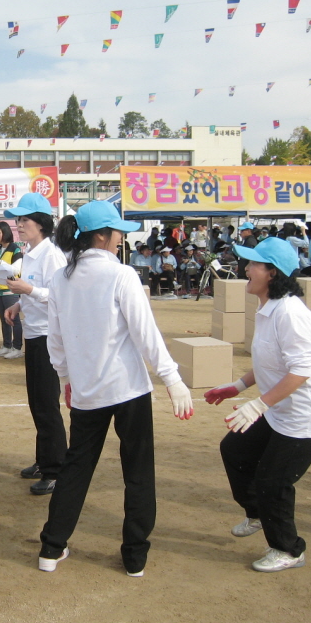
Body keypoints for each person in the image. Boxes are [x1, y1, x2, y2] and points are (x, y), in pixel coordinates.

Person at [38, 200, 193, 576]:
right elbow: (146, 334)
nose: (122, 238)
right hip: (127, 391)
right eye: (118, 232)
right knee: (138, 472)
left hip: (87, 392)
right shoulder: (121, 275)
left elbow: (54, 340)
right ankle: (134, 556)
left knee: (76, 469)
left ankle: (51, 547)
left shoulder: (62, 278)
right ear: (104, 236)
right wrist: (172, 379)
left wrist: (65, 379)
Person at [207, 237, 311, 572]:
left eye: (253, 265)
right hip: (279, 409)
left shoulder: (291, 313)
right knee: (235, 450)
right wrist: (237, 387)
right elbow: (269, 363)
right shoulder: (269, 308)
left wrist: (258, 405)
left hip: (304, 417)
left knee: (273, 481)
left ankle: (289, 549)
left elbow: (302, 370)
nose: (246, 269)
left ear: (273, 274)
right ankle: (256, 513)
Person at [1, 192, 69, 495]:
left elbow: (59, 296)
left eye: (24, 220)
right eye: (18, 220)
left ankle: (56, 469)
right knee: (36, 402)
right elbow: (35, 291)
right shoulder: (29, 253)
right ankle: (44, 461)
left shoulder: (52, 255)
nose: (19, 225)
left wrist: (28, 289)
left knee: (46, 405)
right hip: (33, 333)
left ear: (41, 223)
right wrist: (19, 302)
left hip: (48, 337)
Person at [0, 221, 24, 359]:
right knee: (4, 320)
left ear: (6, 233)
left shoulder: (15, 249)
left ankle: (17, 347)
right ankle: (7, 345)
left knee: (13, 319)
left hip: (10, 289)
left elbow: (16, 269)